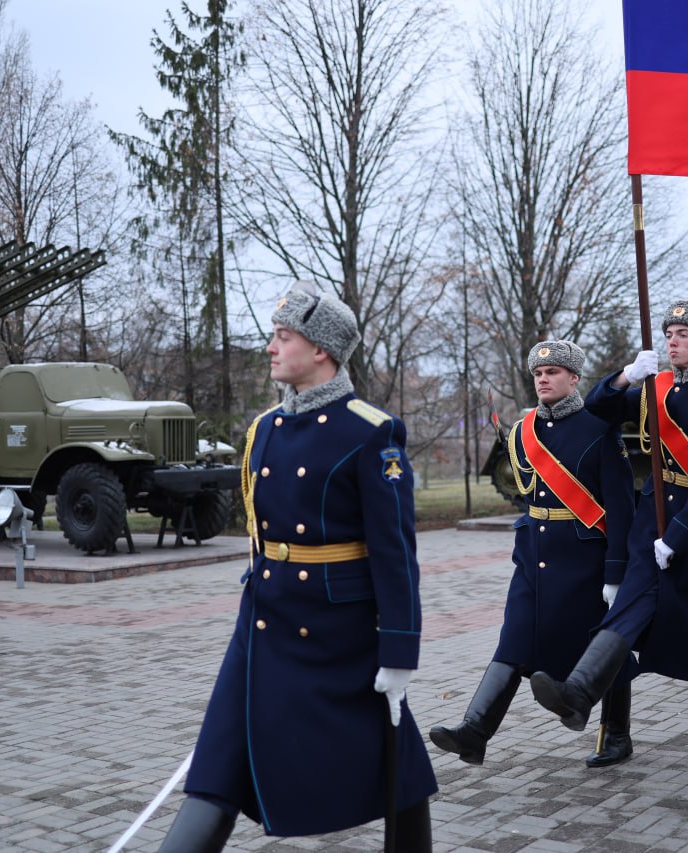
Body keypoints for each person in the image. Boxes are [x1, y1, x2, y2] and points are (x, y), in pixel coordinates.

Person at [159, 290, 436, 852]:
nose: (270, 348)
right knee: (215, 767)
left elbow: (394, 554)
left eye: (283, 338)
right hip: (264, 617)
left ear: (321, 351)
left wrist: (399, 652)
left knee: (393, 756)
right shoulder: (266, 428)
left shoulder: (371, 431)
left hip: (338, 631)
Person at [528, 301, 688, 779]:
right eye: (669, 333)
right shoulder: (654, 386)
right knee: (626, 610)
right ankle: (582, 696)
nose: (672, 341)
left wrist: (681, 537)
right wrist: (625, 378)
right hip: (648, 525)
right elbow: (597, 409)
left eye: (683, 334)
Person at [429, 340, 637, 769]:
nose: (543, 379)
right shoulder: (524, 431)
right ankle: (475, 731)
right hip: (534, 555)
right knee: (514, 638)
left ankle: (617, 735)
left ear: (574, 379)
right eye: (539, 374)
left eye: (553, 373)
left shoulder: (598, 428)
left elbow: (620, 506)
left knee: (602, 647)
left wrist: (616, 570)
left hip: (583, 558)